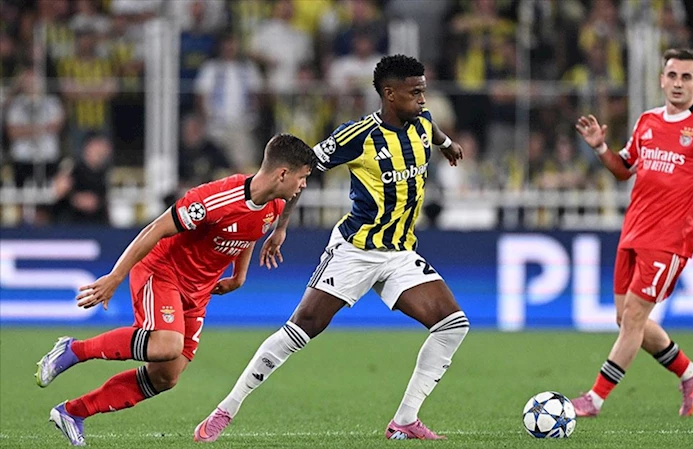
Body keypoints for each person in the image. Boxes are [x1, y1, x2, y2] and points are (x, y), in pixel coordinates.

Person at [194, 54, 467, 442]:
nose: (423, 100)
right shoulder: (357, 136)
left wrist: (448, 144)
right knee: (302, 327)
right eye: (415, 93)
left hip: (400, 252)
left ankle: (405, 420)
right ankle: (227, 408)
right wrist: (281, 226)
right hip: (355, 251)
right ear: (390, 94)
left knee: (452, 324)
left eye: (423, 91)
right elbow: (303, 167)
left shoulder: (422, 122)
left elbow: (433, 130)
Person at [36, 134, 316, 446]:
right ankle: (74, 350)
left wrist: (239, 277)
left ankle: (72, 412)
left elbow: (252, 231)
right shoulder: (214, 200)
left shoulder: (274, 203)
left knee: (166, 376)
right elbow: (155, 229)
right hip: (162, 272)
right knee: (166, 345)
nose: (303, 185)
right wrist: (116, 277)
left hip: (199, 290)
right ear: (282, 174)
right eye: (302, 177)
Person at [571, 48, 693, 418]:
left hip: (670, 238)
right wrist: (600, 148)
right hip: (633, 231)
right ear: (661, 80)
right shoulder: (647, 121)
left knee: (634, 317)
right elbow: (624, 169)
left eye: (686, 77)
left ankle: (594, 399)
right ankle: (691, 373)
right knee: (625, 319)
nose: (678, 83)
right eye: (672, 75)